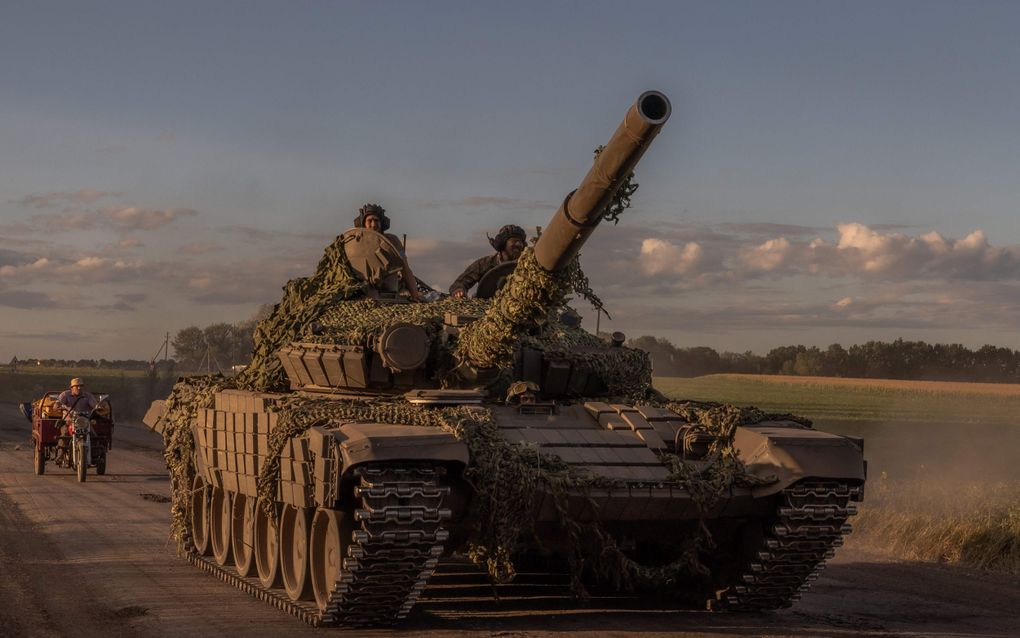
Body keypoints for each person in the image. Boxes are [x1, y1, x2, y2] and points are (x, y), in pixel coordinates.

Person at [353, 203, 422, 301]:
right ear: (363, 223)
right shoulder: (356, 243)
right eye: (369, 221)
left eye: (376, 220)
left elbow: (405, 270)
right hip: (364, 292)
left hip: (389, 292)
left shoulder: (392, 241)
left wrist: (415, 295)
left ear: (382, 223)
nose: (373, 224)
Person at [450, 224, 527, 298]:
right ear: (502, 244)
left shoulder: (527, 265)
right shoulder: (485, 263)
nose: (519, 244)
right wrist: (459, 290)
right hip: (487, 307)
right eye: (514, 241)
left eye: (520, 242)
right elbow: (461, 282)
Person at [56, 378, 98, 454]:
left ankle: (95, 454)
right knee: (64, 435)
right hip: (69, 421)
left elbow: (94, 405)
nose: (79, 388)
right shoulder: (65, 395)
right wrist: (58, 405)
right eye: (77, 386)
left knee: (93, 435)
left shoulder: (87, 396)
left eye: (81, 386)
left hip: (84, 422)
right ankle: (60, 454)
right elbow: (57, 403)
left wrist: (98, 407)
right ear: (72, 387)